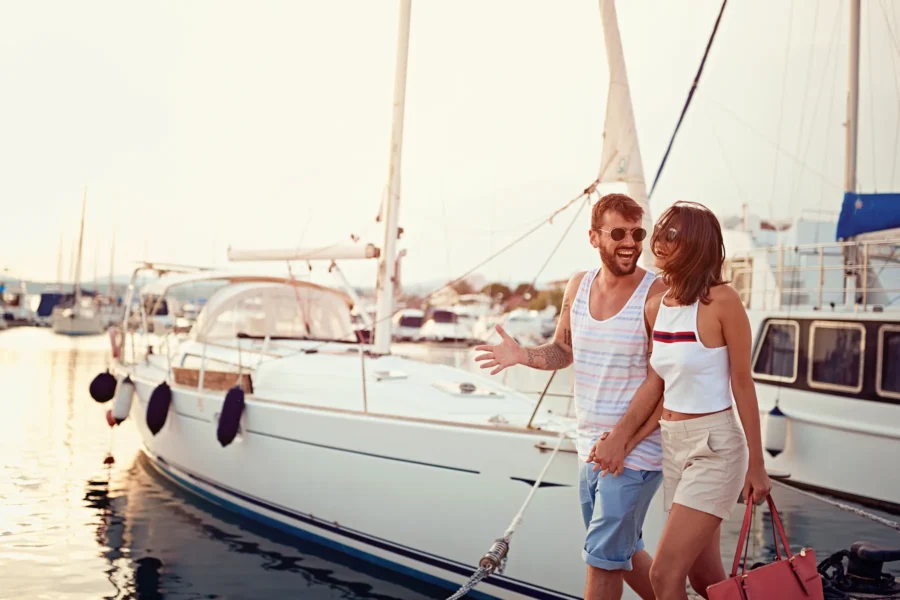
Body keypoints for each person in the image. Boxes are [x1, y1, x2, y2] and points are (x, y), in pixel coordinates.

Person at [474, 193, 667, 600]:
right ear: (594, 237)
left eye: (637, 232)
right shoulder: (578, 286)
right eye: (618, 233)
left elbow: (662, 379)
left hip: (634, 453)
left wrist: (622, 440)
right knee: (623, 554)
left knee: (601, 561)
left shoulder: (656, 294)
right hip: (590, 449)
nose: (630, 242)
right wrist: (522, 355)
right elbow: (564, 350)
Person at [589, 201, 772, 600]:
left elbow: (743, 384)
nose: (657, 241)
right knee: (706, 580)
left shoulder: (723, 302)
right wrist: (624, 442)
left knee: (664, 575)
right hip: (673, 446)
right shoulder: (656, 306)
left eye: (671, 234)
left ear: (695, 243)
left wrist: (756, 465)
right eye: (660, 232)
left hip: (715, 449)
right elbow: (657, 384)